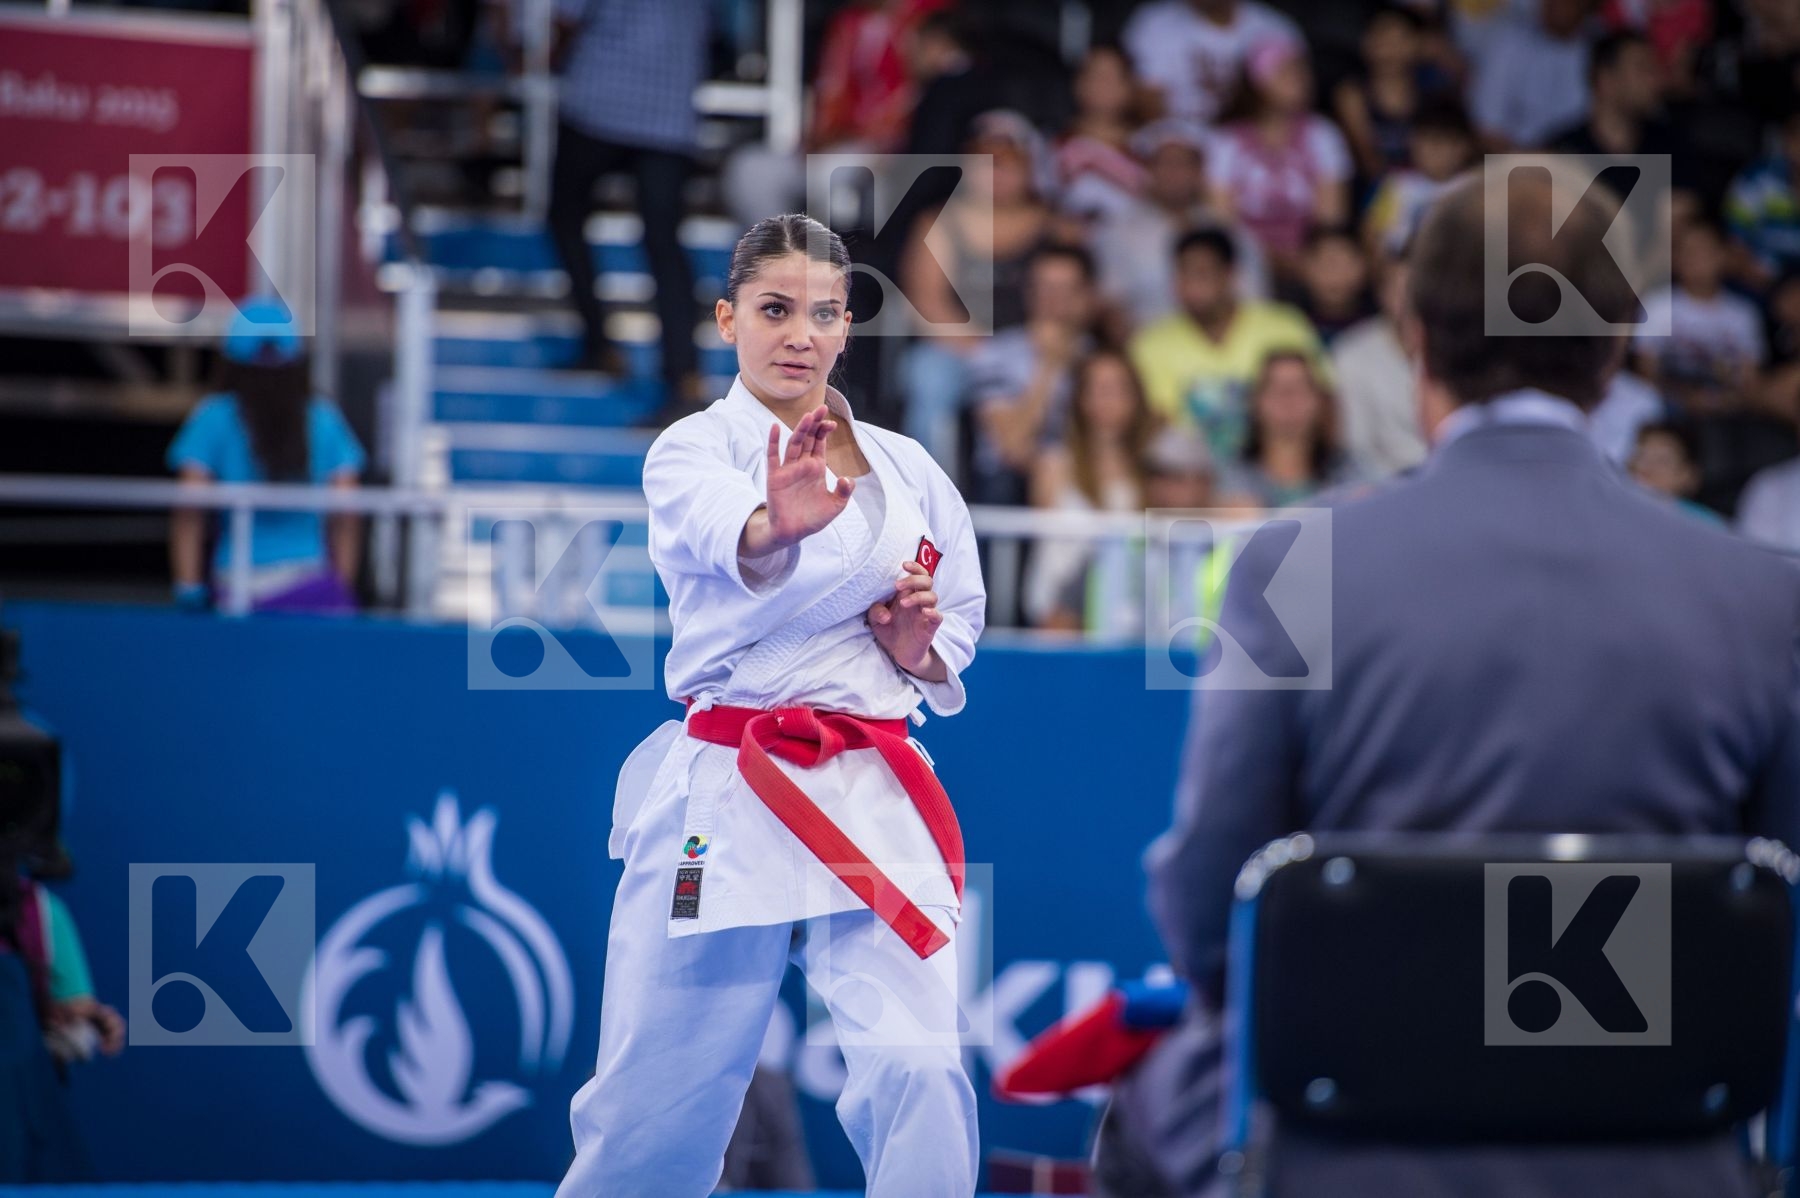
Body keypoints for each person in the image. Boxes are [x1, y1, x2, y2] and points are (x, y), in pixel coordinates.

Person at [1106, 168, 1800, 1198]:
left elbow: (1212, 912)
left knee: (1147, 1114)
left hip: (1351, 1161)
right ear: (1613, 358)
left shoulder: (1290, 562)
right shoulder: (1764, 595)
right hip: (1667, 1165)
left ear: (1415, 338)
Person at [557, 214, 985, 1198]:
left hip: (871, 783)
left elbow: (956, 615)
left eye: (824, 313)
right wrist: (772, 526)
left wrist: (918, 650)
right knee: (654, 1104)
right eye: (776, 309)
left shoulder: (911, 468)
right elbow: (731, 541)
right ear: (726, 319)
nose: (801, 333)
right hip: (730, 784)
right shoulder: (690, 451)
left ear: (846, 329)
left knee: (920, 1063)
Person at [545, 0, 708, 419]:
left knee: (565, 216)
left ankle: (601, 345)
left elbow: (568, 18)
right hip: (670, 111)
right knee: (663, 243)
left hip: (599, 100)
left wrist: (550, 56)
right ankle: (684, 377)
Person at [167, 300, 366, 615]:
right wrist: (340, 588)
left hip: (234, 587)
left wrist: (188, 587)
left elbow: (188, 512)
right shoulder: (324, 420)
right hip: (310, 587)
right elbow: (347, 515)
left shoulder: (213, 417)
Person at [1127, 227, 1325, 466]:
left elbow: (1324, 401)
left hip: (1276, 471)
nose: (1191, 286)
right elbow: (1152, 428)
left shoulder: (1285, 327)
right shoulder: (1149, 344)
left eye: (1202, 273)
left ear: (1230, 275)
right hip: (1192, 480)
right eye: (1183, 274)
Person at [1089, 120, 1270, 335]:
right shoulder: (1117, 231)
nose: (1174, 173)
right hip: (1148, 353)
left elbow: (1255, 300)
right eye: (1164, 163)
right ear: (1148, 170)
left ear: (1200, 171)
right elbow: (1111, 310)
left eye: (1184, 164)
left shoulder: (1229, 230)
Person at [1024, 349, 1157, 634]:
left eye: (1118, 389)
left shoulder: (1152, 470)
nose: (1108, 400)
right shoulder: (1054, 465)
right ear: (1080, 399)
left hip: (1128, 612)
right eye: (1098, 389)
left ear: (1136, 398)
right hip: (1060, 616)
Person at [1205, 36, 1353, 276]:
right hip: (1245, 265)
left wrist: (1303, 262)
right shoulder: (1226, 141)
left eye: (1302, 70)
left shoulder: (1323, 133)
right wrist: (1266, 260)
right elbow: (1223, 222)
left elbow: (1330, 220)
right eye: (1286, 72)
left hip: (1311, 263)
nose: (1301, 79)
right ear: (1256, 82)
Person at [1216, 349, 1362, 509]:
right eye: (1275, 387)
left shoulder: (1348, 470)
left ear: (1319, 400)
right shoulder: (1231, 474)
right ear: (1255, 401)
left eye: (1300, 387)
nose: (1288, 397)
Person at [1121, 0, 1302, 126]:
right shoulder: (1155, 22)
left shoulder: (1273, 28)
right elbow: (1148, 107)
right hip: (1176, 142)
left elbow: (1292, 102)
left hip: (1243, 142)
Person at [1332, 246, 1426, 477]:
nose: (1407, 301)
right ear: (1381, 294)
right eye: (1398, 290)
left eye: (1416, 289)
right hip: (1383, 485)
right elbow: (1357, 447)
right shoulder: (1350, 353)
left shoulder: (1458, 348)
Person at [1629, 418, 1723, 522]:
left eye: (1662, 460)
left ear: (1687, 475)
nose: (1646, 467)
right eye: (1641, 455)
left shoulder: (1704, 524)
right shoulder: (1616, 509)